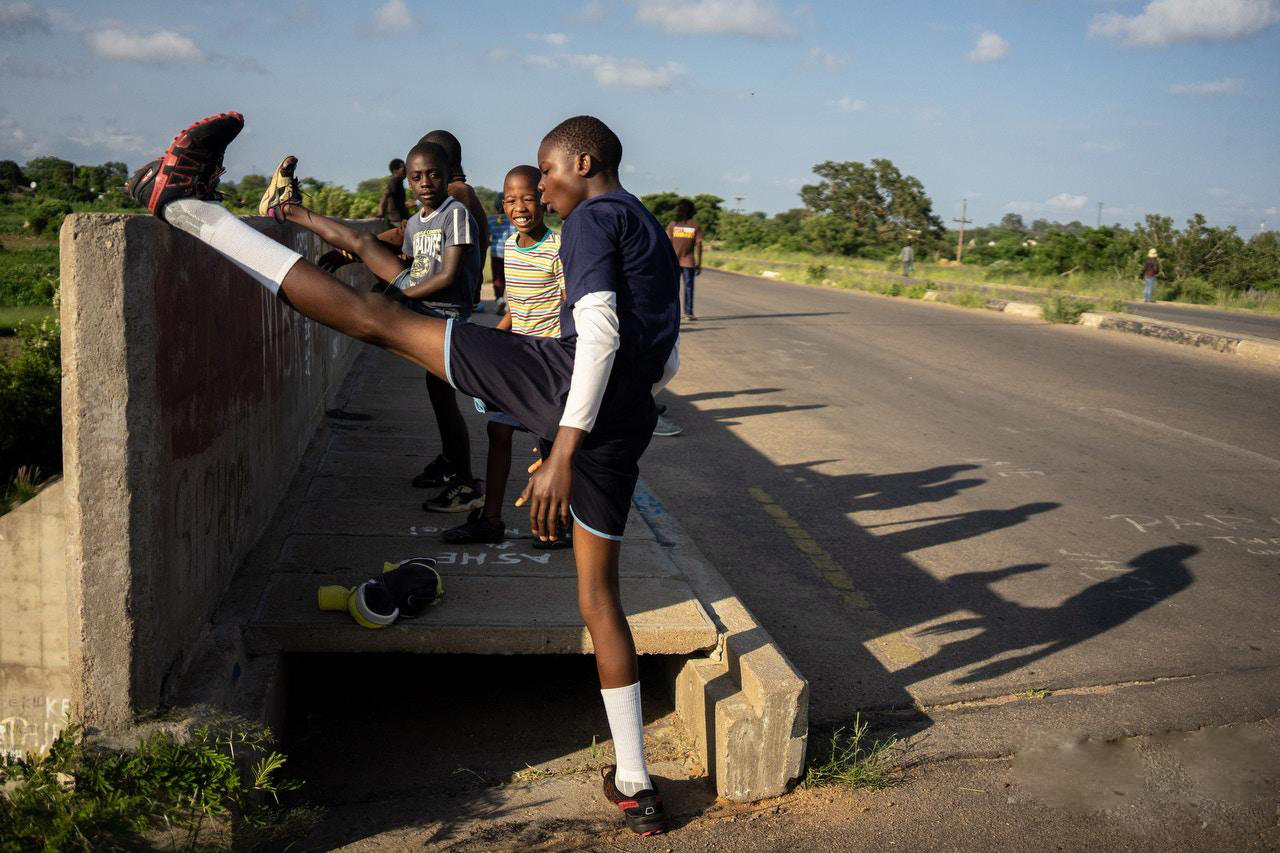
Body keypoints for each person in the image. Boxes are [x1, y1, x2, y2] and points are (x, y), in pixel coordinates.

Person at [125, 112, 678, 836]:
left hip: (568, 384)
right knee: (599, 597)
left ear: (582, 160)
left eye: (546, 170)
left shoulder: (594, 218)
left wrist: (563, 443)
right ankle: (635, 783)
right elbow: (664, 358)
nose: (539, 187)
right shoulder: (647, 224)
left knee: (372, 319)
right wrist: (578, 433)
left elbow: (599, 331)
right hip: (624, 417)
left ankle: (182, 203)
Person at [262, 143, 485, 514]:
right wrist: (377, 274)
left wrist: (396, 298)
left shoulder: (456, 212)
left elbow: (446, 276)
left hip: (444, 317)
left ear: (449, 175)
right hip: (421, 305)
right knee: (362, 243)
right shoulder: (416, 222)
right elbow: (413, 262)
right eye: (417, 177)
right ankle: (288, 208)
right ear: (407, 180)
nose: (426, 183)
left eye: (433, 174)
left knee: (446, 405)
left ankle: (466, 485)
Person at [444, 165, 567, 547]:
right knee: (497, 430)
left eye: (528, 197)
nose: (520, 206)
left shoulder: (558, 248)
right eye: (511, 199)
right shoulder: (509, 246)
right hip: (518, 357)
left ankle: (556, 526)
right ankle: (491, 519)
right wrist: (492, 340)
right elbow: (516, 306)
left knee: (550, 449)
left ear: (543, 199)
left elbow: (570, 306)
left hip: (550, 363)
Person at [665, 199, 702, 321]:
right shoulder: (690, 225)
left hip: (680, 262)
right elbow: (699, 244)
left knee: (676, 287)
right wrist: (699, 263)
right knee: (687, 287)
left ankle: (679, 313)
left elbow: (666, 243)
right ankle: (687, 313)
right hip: (683, 262)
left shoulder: (676, 225)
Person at [486, 193, 516, 316]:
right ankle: (513, 304)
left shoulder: (491, 220)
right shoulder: (512, 220)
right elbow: (515, 236)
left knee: (498, 278)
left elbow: (487, 237)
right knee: (511, 279)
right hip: (510, 254)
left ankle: (499, 300)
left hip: (495, 253)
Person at [376, 158, 408, 226]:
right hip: (397, 220)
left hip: (401, 219)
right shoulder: (395, 180)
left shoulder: (399, 182)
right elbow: (385, 195)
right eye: (403, 169)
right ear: (395, 170)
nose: (406, 171)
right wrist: (381, 213)